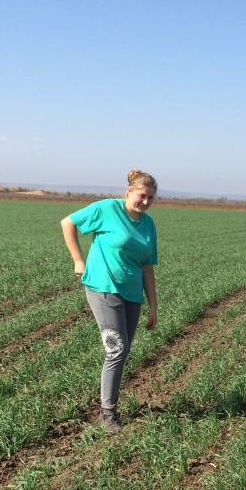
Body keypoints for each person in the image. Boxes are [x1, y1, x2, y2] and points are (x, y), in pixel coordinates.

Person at [60, 169, 159, 432]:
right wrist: (78, 260)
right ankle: (107, 413)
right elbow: (67, 223)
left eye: (151, 198)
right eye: (141, 196)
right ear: (128, 192)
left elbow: (147, 267)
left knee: (123, 351)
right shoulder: (106, 209)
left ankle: (109, 405)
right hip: (103, 287)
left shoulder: (148, 225)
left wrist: (153, 305)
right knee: (116, 349)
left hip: (132, 294)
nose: (146, 202)